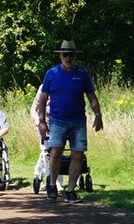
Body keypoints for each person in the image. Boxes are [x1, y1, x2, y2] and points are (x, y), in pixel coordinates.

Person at [37, 40, 104, 204]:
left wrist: (98, 115)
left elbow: (91, 97)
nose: (68, 58)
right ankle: (52, 185)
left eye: (71, 55)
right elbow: (43, 99)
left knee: (78, 154)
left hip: (78, 121)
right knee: (55, 152)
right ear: (60, 56)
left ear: (75, 56)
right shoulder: (51, 73)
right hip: (57, 120)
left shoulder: (82, 74)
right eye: (65, 55)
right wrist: (41, 121)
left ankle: (70, 190)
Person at [30, 84, 63, 191]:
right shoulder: (43, 88)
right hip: (44, 125)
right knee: (47, 151)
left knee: (56, 151)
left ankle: (38, 174)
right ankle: (55, 181)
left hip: (59, 124)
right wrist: (38, 121)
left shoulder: (63, 85)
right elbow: (33, 109)